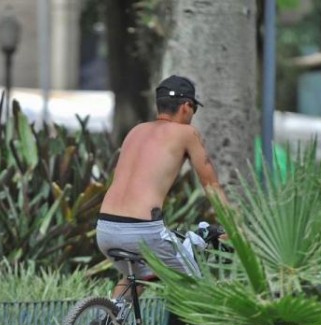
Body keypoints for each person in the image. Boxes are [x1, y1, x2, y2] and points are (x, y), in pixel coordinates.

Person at [96, 75, 229, 303]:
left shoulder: (135, 132)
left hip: (105, 230)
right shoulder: (187, 133)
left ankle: (107, 323)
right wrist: (233, 228)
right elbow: (211, 185)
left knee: (139, 274)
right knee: (195, 284)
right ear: (187, 106)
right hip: (142, 232)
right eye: (194, 109)